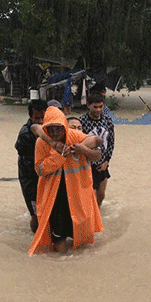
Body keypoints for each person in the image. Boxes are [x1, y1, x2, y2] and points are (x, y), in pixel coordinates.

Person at [29, 106, 103, 255]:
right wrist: (58, 155)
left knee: (80, 232)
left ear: (65, 126)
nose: (55, 133)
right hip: (55, 197)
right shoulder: (41, 143)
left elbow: (98, 146)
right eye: (51, 129)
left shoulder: (75, 136)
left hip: (77, 194)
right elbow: (40, 170)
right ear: (46, 129)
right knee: (59, 235)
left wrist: (82, 149)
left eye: (59, 128)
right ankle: (61, 266)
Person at [14, 99, 48, 233]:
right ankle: (36, 238)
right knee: (35, 213)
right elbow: (32, 165)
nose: (40, 121)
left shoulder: (51, 128)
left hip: (45, 175)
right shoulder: (25, 135)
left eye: (42, 118)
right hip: (30, 180)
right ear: (30, 117)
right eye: (36, 118)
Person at [79, 92, 114, 208]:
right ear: (88, 105)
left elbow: (111, 143)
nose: (98, 110)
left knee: (101, 195)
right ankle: (91, 218)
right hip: (87, 165)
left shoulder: (108, 121)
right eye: (95, 107)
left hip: (103, 163)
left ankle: (97, 216)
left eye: (101, 106)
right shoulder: (81, 122)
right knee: (89, 196)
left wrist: (106, 161)